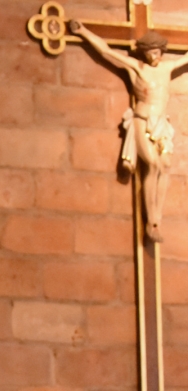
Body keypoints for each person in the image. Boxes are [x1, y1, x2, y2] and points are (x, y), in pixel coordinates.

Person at [70, 21, 188, 243]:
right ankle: (151, 221)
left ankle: (158, 219)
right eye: (150, 53)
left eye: (157, 52)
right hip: (142, 120)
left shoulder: (167, 68)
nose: (154, 57)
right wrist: (83, 31)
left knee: (165, 165)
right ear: (144, 53)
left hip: (161, 123)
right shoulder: (137, 68)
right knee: (152, 164)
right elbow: (106, 51)